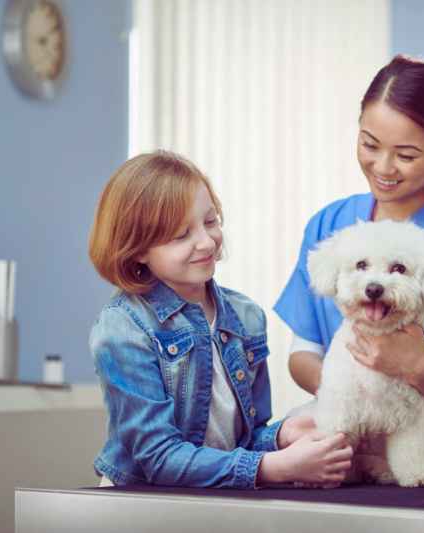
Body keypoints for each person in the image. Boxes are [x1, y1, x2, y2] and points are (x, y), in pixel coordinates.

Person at [274, 55, 424, 481]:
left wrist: (413, 368)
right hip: (350, 467)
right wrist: (355, 396)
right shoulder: (330, 225)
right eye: (370, 145)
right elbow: (302, 354)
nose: (383, 167)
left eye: (405, 154)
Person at [88, 151, 352, 488]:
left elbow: (243, 441)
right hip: (140, 503)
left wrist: (281, 435)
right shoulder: (124, 326)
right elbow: (159, 458)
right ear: (137, 249)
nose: (205, 242)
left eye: (210, 222)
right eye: (181, 235)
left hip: (216, 497)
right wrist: (275, 467)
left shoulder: (245, 316)